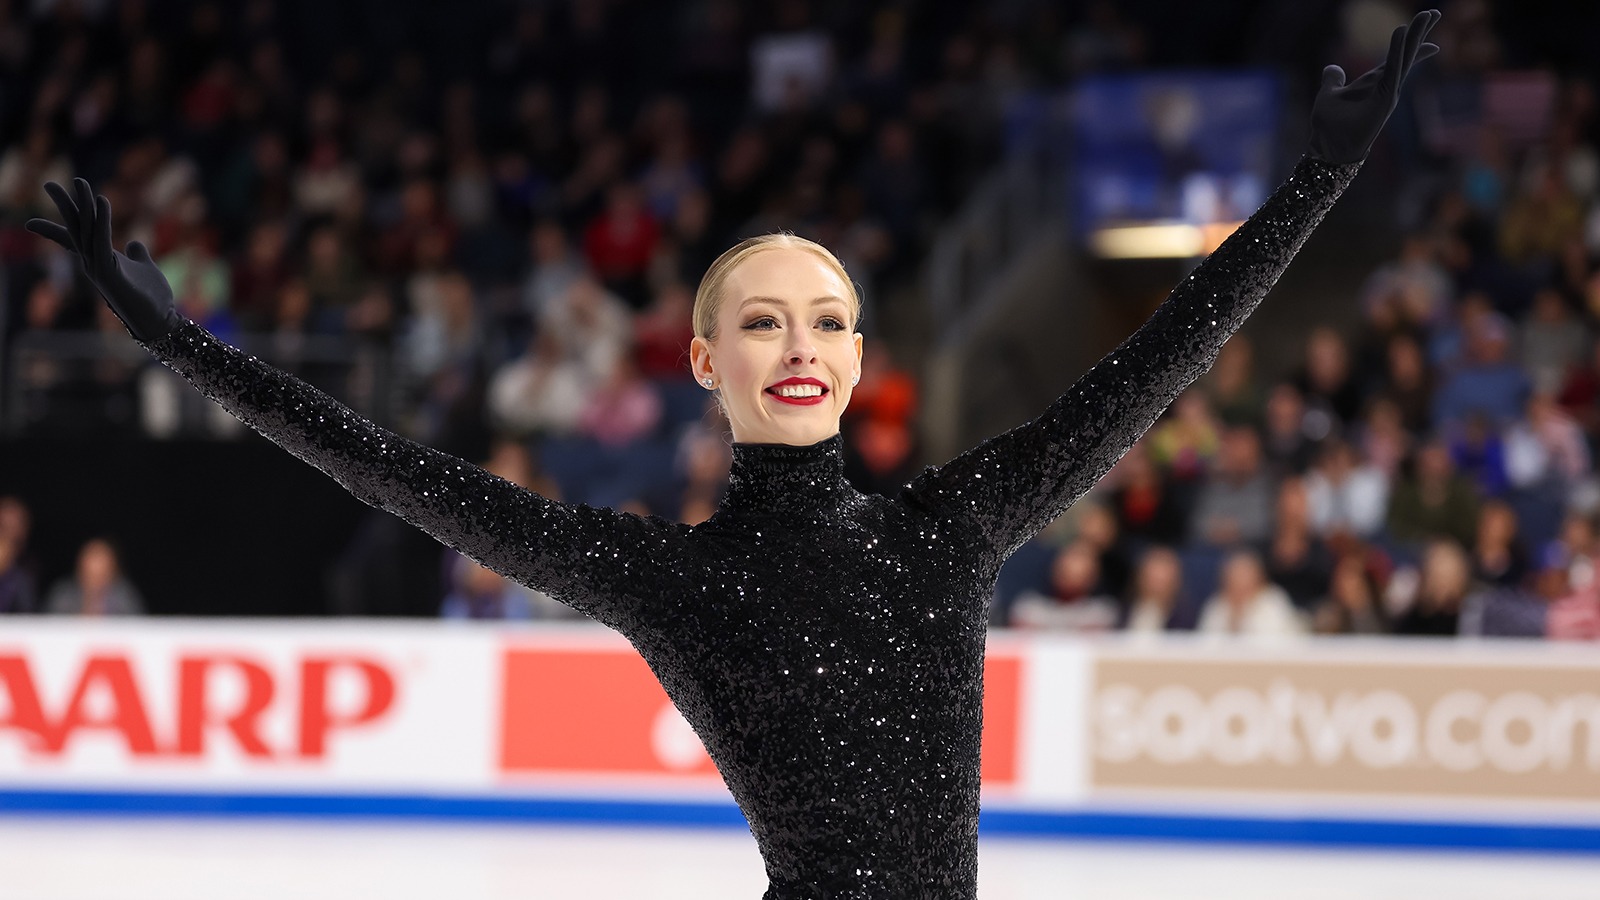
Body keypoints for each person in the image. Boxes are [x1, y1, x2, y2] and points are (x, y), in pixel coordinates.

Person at [25, 13, 1440, 896]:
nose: (800, 341)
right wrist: (182, 346)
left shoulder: (949, 526)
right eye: (761, 321)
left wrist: (1321, 174)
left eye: (828, 317)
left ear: (863, 357)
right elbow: (396, 469)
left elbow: (1161, 358)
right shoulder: (663, 578)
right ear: (705, 361)